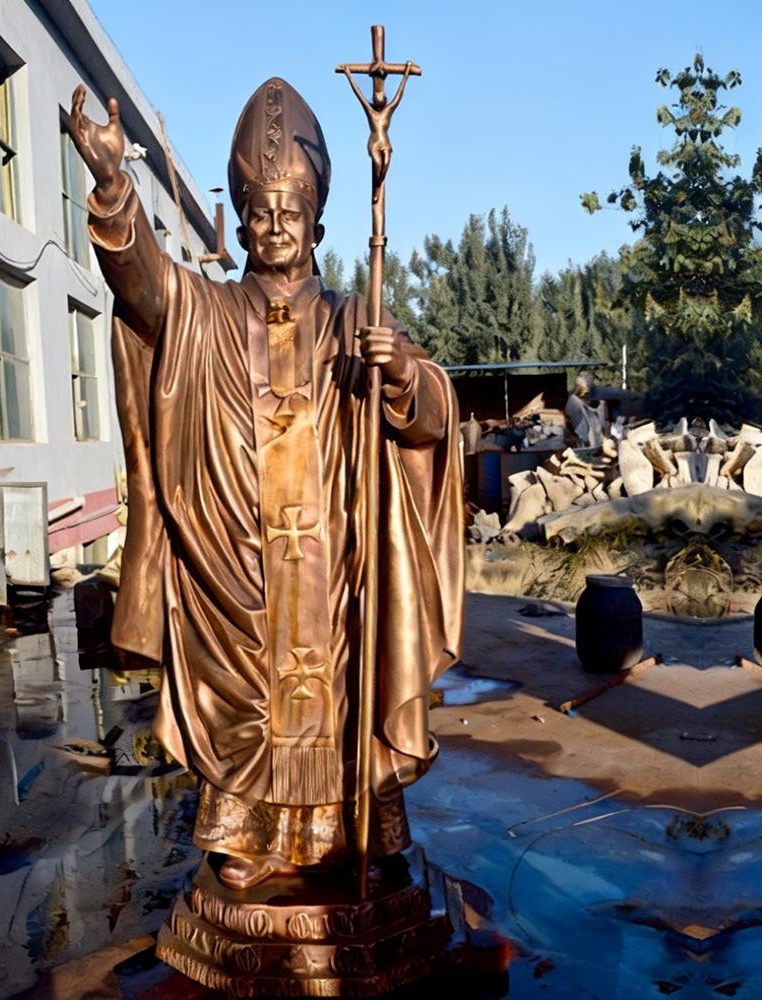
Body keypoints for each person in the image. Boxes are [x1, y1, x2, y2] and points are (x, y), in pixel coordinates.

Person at [69, 77, 463, 890]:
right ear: (243, 219)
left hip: (336, 558)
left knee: (345, 695)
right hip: (238, 558)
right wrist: (113, 186)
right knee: (242, 690)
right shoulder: (206, 310)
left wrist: (398, 375)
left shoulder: (355, 317)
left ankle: (356, 831)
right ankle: (246, 833)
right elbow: (142, 284)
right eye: (259, 212)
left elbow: (432, 412)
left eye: (291, 212)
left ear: (317, 221)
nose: (275, 226)